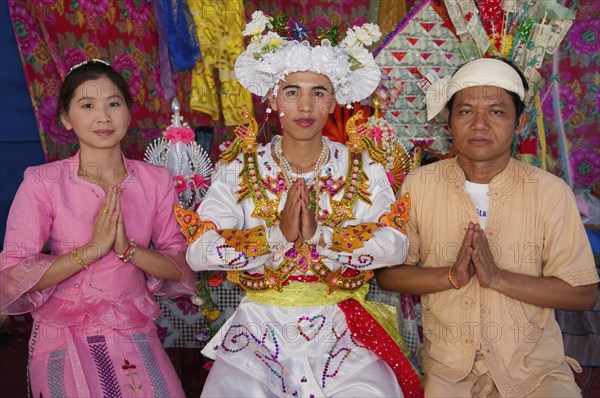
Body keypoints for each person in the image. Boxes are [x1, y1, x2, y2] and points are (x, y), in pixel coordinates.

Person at [184, 11, 423, 398]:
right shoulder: (240, 168)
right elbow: (199, 252)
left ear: (334, 101)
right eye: (292, 91)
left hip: (343, 330)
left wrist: (322, 236)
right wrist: (276, 235)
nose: (305, 106)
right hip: (259, 332)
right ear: (273, 98)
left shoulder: (362, 165)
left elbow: (396, 244)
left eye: (319, 92)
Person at [377, 57, 599, 397]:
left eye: (496, 112)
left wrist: (497, 277)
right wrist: (451, 276)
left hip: (534, 370)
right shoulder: (420, 184)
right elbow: (389, 274)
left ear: (520, 122)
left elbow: (583, 294)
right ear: (448, 120)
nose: (479, 124)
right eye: (466, 111)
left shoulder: (550, 191)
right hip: (449, 371)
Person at [0, 60, 195, 396]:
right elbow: (13, 272)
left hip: (133, 326)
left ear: (129, 113)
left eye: (113, 103)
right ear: (65, 117)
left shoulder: (155, 180)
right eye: (87, 105)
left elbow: (180, 266)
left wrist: (128, 250)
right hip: (63, 330)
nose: (103, 117)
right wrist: (91, 250)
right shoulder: (43, 181)